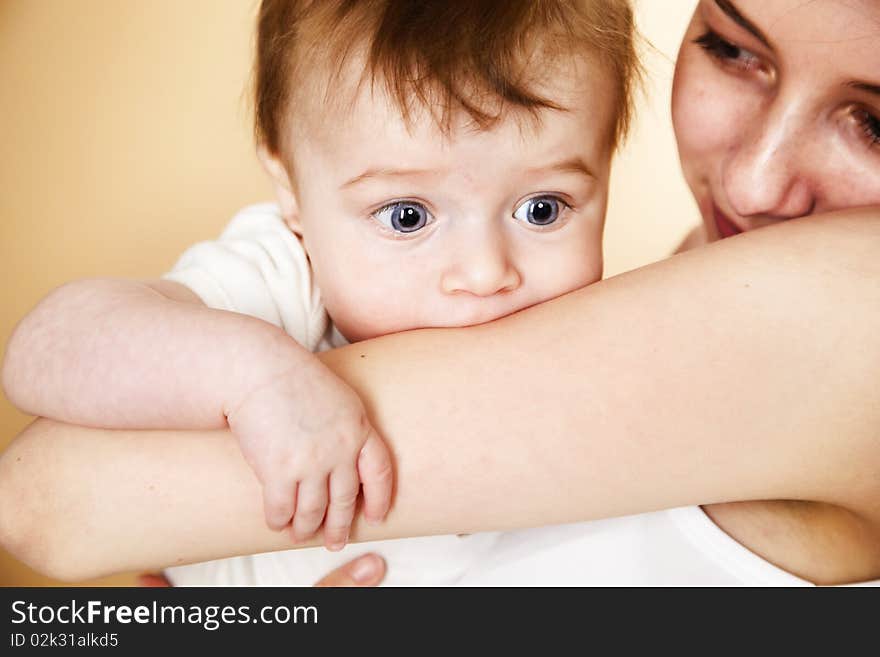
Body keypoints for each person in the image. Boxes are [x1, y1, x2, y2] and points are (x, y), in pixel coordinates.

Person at [1, 0, 879, 586]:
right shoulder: (281, 279)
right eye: (409, 214)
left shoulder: (821, 322)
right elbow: (44, 364)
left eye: (543, 206)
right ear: (290, 188)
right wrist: (253, 378)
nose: (485, 270)